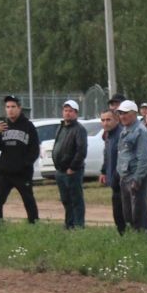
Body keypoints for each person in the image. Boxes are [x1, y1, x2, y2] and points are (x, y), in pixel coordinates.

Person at [0, 95, 40, 224]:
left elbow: (34, 150)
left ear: (19, 108)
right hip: (5, 172)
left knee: (28, 200)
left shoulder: (28, 126)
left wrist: (25, 164)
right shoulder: (3, 126)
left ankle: (34, 224)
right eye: (7, 107)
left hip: (22, 173)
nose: (10, 110)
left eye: (13, 107)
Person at [112, 99, 147, 234]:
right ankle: (133, 240)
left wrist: (137, 179)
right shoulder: (126, 129)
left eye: (125, 113)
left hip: (135, 178)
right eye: (120, 113)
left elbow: (144, 159)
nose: (122, 116)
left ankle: (143, 241)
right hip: (125, 176)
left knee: (139, 215)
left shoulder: (140, 131)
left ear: (134, 114)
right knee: (128, 214)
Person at [51, 98, 88, 229]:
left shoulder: (79, 129)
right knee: (66, 200)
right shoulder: (61, 127)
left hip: (72, 171)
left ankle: (78, 226)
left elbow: (81, 150)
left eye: (70, 111)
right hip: (60, 171)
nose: (67, 113)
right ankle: (69, 224)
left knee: (76, 200)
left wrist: (73, 167)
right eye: (65, 110)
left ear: (76, 113)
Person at [97, 107, 127, 232]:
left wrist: (118, 176)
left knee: (124, 212)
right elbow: (107, 155)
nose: (105, 123)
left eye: (108, 120)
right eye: (103, 120)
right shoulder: (108, 135)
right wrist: (104, 171)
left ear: (116, 120)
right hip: (113, 180)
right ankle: (122, 235)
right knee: (117, 213)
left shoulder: (121, 134)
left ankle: (129, 235)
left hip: (122, 180)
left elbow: (124, 159)